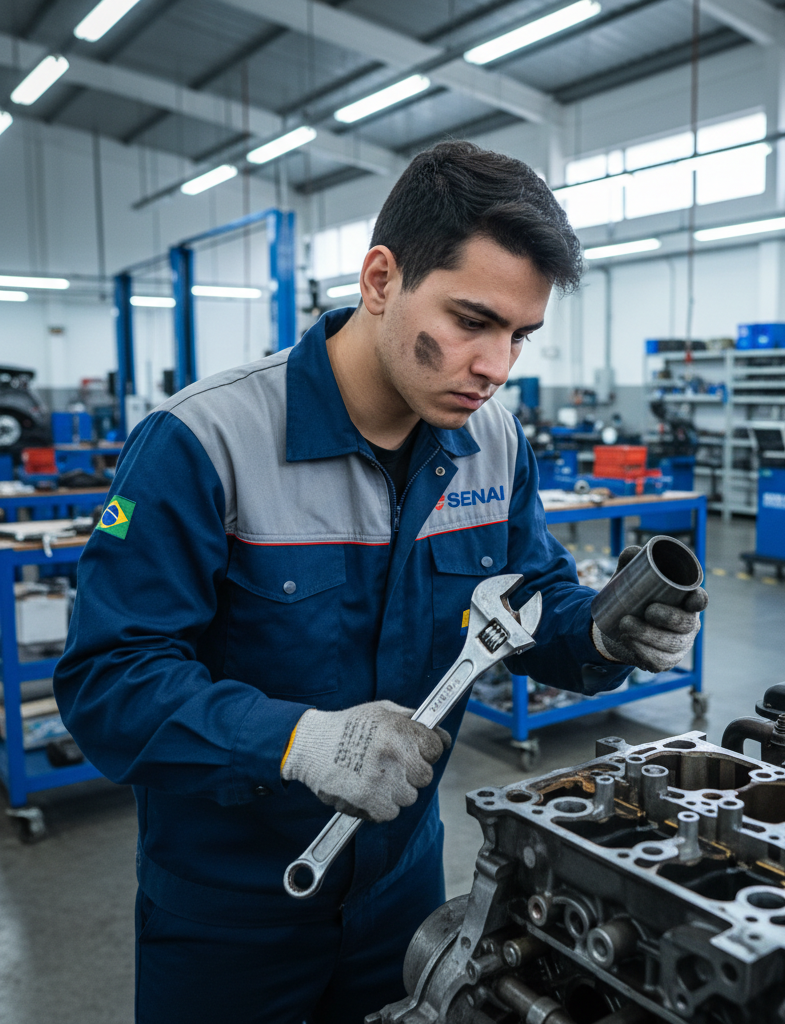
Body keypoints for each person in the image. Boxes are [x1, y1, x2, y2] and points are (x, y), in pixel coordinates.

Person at [54, 140, 706, 1024]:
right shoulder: (202, 444)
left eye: (519, 335)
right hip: (227, 915)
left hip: (406, 893)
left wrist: (598, 634)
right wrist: (295, 742)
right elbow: (109, 684)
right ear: (380, 279)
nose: (496, 365)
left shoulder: (496, 443)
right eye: (473, 320)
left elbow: (528, 597)